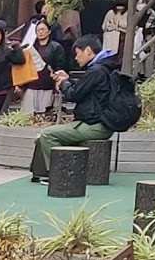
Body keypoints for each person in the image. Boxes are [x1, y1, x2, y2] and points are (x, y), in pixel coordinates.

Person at [30, 35, 118, 184]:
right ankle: (44, 173)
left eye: (77, 53)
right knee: (49, 134)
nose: (76, 58)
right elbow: (83, 89)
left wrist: (63, 83)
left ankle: (60, 174)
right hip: (98, 123)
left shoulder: (97, 71)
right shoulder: (103, 68)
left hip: (95, 125)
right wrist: (67, 80)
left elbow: (74, 94)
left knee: (47, 134)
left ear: (88, 51)